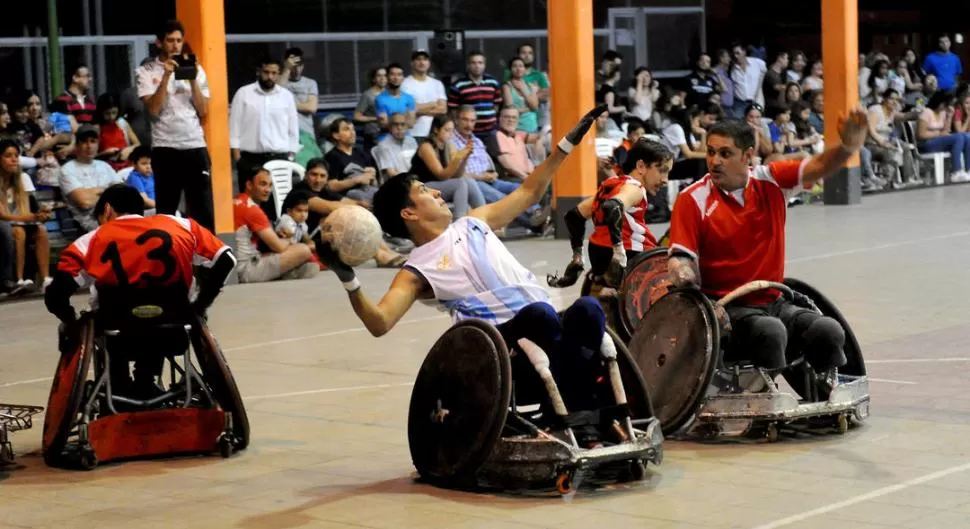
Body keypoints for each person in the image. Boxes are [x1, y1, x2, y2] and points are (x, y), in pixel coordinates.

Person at [317, 104, 614, 422]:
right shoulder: (416, 271)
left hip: (546, 328)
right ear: (409, 213)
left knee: (589, 308)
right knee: (539, 315)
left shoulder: (475, 221)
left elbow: (529, 190)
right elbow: (380, 322)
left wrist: (564, 146)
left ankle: (583, 399)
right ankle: (580, 398)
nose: (435, 192)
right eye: (423, 190)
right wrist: (348, 279)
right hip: (502, 351)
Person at [665, 109, 870, 390]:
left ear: (748, 156)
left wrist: (848, 147)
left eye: (726, 154)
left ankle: (825, 392)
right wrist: (686, 280)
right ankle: (766, 395)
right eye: (711, 152)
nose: (714, 161)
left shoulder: (772, 181)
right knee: (770, 332)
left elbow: (819, 166)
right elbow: (679, 259)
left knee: (828, 329)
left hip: (775, 301)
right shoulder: (692, 200)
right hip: (727, 307)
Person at [44, 184, 236, 397]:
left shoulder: (91, 240)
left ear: (107, 210)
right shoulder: (180, 225)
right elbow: (226, 260)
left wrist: (71, 321)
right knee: (158, 314)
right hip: (175, 327)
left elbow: (56, 294)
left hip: (117, 331)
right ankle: (146, 378)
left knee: (111, 320)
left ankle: (118, 386)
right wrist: (201, 304)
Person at [548, 138, 673, 291]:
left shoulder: (611, 185)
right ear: (641, 166)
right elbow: (614, 207)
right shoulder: (636, 189)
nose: (665, 180)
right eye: (662, 170)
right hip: (634, 258)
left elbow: (574, 216)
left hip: (598, 256)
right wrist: (618, 253)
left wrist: (577, 257)